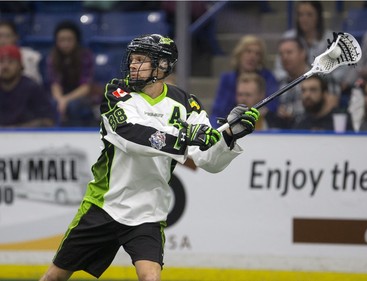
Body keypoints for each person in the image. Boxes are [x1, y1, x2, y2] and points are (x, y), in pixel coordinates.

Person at [38, 34, 260, 281]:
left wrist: (229, 135)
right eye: (132, 59)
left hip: (148, 210)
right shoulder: (117, 92)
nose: (132, 64)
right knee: (54, 277)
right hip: (105, 204)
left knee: (150, 277)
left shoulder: (187, 104)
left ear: (163, 65)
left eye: (141, 59)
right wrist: (185, 137)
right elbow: (131, 136)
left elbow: (207, 159)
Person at [273, 1, 353, 101]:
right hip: (292, 87)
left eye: (309, 14)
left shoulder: (333, 40)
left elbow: (342, 72)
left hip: (324, 89)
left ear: (318, 16)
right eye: (300, 15)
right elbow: (278, 71)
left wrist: (319, 81)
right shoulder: (288, 38)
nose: (304, 19)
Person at [210, 34, 279, 128]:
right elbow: (218, 111)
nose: (252, 57)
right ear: (239, 54)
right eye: (248, 51)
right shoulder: (227, 79)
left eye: (257, 54)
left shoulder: (268, 78)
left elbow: (273, 106)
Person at [276, 37, 340, 129]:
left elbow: (331, 109)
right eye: (281, 54)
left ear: (303, 53)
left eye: (289, 52)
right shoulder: (281, 83)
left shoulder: (323, 76)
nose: (284, 57)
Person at [47, 20, 95, 127]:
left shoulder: (85, 56)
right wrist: (60, 100)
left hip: (81, 96)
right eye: (61, 40)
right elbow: (55, 83)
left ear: (76, 40)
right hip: (61, 95)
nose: (65, 44)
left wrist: (65, 100)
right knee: (53, 103)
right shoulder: (53, 58)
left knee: (73, 105)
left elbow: (85, 87)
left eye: (69, 40)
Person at [0, 45, 55, 127]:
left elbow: (48, 121)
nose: (5, 66)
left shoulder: (32, 88)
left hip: (28, 137)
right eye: (1, 62)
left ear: (20, 65)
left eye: (11, 62)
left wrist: (20, 129)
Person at [0, 19, 43, 84]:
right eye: (0, 36)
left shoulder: (31, 56)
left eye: (7, 36)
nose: (2, 40)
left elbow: (36, 83)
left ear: (16, 37)